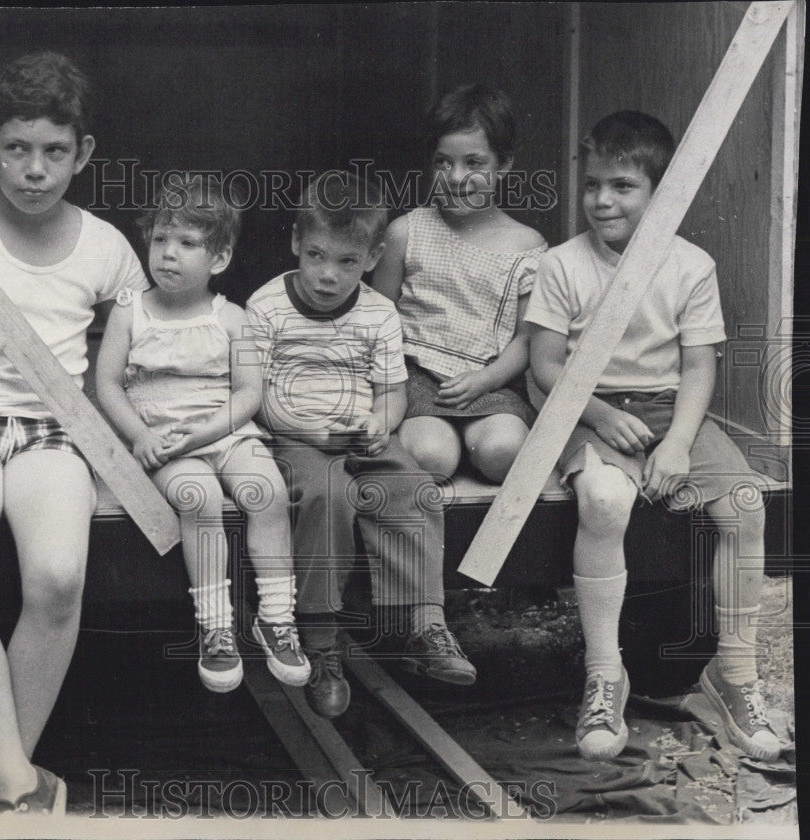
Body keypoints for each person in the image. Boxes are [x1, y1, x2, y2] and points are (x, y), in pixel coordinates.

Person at [0, 52, 148, 814]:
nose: (34, 170)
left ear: (83, 154)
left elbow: (145, 358)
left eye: (53, 151)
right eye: (17, 149)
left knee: (57, 579)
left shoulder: (108, 247)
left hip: (55, 430)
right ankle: (18, 785)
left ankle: (5, 770)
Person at [526, 111, 780, 762]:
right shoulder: (562, 264)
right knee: (604, 502)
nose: (602, 200)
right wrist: (601, 418)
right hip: (592, 410)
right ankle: (605, 675)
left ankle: (734, 676)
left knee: (747, 508)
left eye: (622, 186)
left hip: (672, 411)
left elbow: (699, 367)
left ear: (659, 193)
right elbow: (546, 364)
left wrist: (675, 445)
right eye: (593, 185)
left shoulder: (691, 265)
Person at [247, 171, 476, 720]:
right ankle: (322, 644)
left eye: (347, 262)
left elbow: (393, 390)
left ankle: (425, 624)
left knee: (416, 489)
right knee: (329, 496)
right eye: (318, 256)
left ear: (372, 258)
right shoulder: (265, 307)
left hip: (359, 430)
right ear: (296, 244)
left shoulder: (378, 312)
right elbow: (253, 396)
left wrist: (383, 418)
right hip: (294, 434)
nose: (328, 275)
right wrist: (308, 433)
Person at [96, 175, 310, 695]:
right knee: (199, 497)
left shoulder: (233, 319)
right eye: (160, 240)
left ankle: (277, 619)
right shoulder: (130, 310)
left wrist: (208, 434)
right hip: (164, 443)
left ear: (218, 258)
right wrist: (139, 435)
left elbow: (248, 394)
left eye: (188, 243)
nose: (168, 254)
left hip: (223, 434)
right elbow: (106, 383)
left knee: (268, 490)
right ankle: (216, 627)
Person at [372, 84, 546, 483]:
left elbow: (525, 339)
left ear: (504, 165)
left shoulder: (527, 246)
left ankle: (478, 438)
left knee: (504, 453)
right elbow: (376, 321)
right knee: (432, 458)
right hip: (417, 381)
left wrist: (487, 379)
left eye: (474, 163)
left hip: (493, 381)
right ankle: (443, 439)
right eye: (443, 162)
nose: (457, 177)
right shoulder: (406, 232)